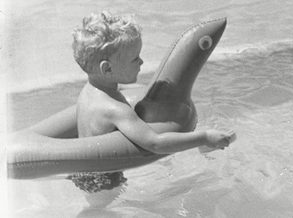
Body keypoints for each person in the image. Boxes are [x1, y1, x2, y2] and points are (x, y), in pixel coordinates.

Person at [68, 11, 235, 196]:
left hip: (84, 173)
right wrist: (204, 137)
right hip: (105, 179)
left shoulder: (89, 93)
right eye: (135, 58)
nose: (141, 61)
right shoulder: (114, 109)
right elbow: (155, 143)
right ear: (107, 68)